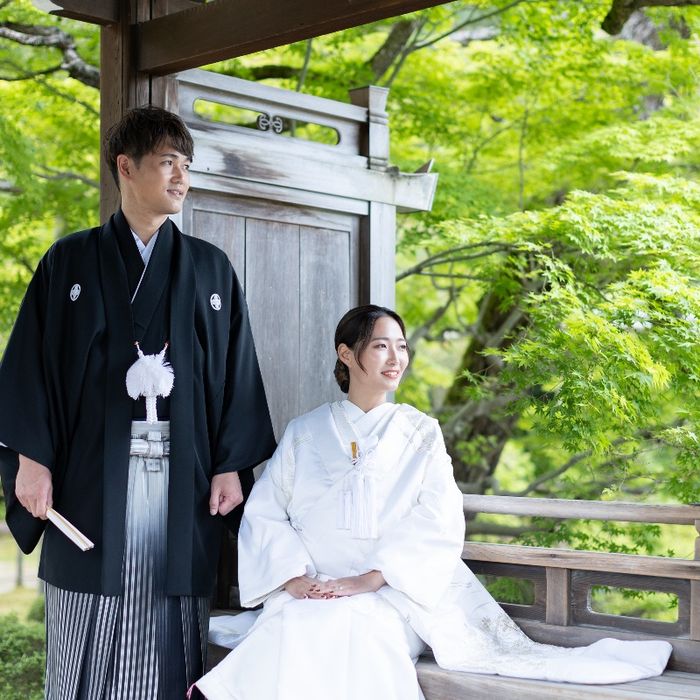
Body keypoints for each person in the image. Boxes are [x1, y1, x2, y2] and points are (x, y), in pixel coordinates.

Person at [194, 304, 672, 700]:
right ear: (346, 353)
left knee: (357, 627)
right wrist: (295, 579)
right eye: (381, 345)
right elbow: (267, 512)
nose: (395, 358)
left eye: (402, 346)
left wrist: (370, 579)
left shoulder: (420, 432)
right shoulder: (305, 432)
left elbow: (437, 517)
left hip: (393, 594)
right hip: (315, 588)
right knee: (299, 623)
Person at [0, 106, 276, 699]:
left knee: (168, 632)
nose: (182, 177)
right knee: (84, 626)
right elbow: (27, 370)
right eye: (168, 162)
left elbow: (237, 375)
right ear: (126, 168)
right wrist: (31, 459)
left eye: (186, 165)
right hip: (86, 481)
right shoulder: (68, 262)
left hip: (184, 480)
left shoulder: (210, 268)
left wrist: (230, 464)